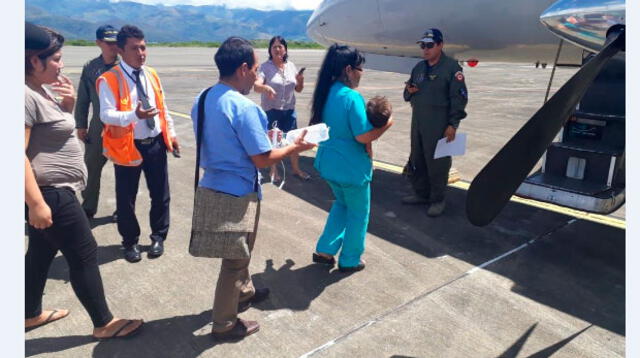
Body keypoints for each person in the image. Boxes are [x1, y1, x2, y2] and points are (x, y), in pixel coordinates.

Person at [191, 37, 315, 341]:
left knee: (238, 253)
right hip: (239, 192)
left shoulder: (203, 98)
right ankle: (224, 324)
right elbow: (261, 159)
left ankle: (245, 292)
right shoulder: (244, 107)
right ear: (243, 68)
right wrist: (293, 147)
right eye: (256, 70)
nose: (257, 77)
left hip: (212, 184)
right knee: (234, 261)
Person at [24, 22, 143, 339]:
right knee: (84, 251)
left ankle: (27, 313)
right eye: (57, 58)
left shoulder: (37, 90)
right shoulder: (21, 95)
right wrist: (36, 203)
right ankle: (104, 322)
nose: (61, 64)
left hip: (50, 192)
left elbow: (45, 132)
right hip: (50, 194)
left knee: (40, 252)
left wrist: (66, 106)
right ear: (35, 61)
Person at [97, 25, 179, 262]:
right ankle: (130, 242)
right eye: (135, 48)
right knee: (126, 198)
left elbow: (162, 107)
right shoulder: (109, 79)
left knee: (161, 193)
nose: (141, 53)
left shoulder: (151, 74)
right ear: (121, 50)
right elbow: (106, 115)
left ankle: (158, 236)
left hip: (155, 143)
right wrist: (135, 115)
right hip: (128, 145)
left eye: (143, 47)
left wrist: (171, 134)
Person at [310, 44, 394, 272]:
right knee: (358, 213)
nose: (361, 73)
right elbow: (363, 136)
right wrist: (387, 125)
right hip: (351, 169)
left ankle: (325, 249)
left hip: (328, 165)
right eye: (359, 68)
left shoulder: (325, 93)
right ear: (348, 69)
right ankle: (350, 259)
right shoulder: (351, 97)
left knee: (341, 204)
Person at [402, 28, 468, 217]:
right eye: (423, 45)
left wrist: (453, 125)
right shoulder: (419, 68)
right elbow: (407, 92)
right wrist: (409, 91)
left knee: (438, 162)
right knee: (418, 158)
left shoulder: (451, 69)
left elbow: (459, 99)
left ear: (440, 45)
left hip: (439, 123)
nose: (425, 49)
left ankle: (438, 199)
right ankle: (421, 194)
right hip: (419, 121)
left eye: (429, 45)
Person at [75, 25, 120, 220]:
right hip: (98, 126)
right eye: (109, 43)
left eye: (116, 42)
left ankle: (123, 208)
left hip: (122, 127)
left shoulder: (125, 66)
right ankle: (89, 206)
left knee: (124, 170)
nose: (113, 46)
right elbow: (83, 99)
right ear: (98, 43)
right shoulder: (91, 68)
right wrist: (80, 124)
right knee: (91, 167)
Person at [253, 35, 310, 182]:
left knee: (294, 141)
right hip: (272, 110)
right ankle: (273, 170)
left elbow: (298, 89)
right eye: (274, 47)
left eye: (280, 46)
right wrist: (266, 87)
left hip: (289, 110)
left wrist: (300, 81)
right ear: (270, 50)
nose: (277, 49)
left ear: (285, 49)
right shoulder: (265, 67)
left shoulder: (291, 66)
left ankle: (296, 169)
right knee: (274, 142)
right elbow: (257, 86)